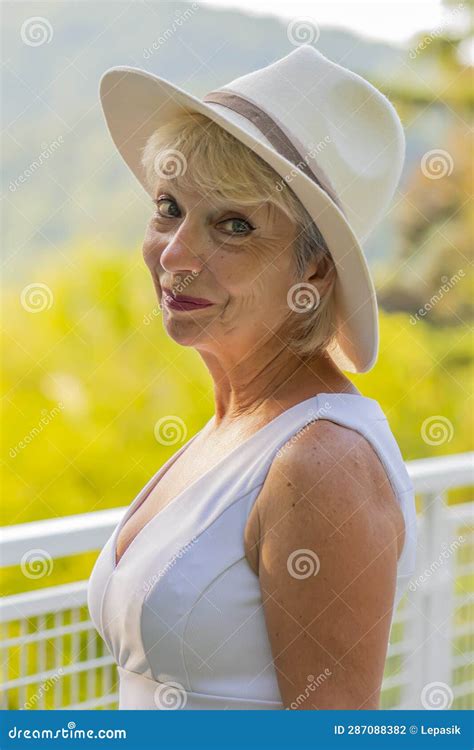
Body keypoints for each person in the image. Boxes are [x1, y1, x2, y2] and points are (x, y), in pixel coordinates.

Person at [87, 44, 417, 710]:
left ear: (314, 271)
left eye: (232, 225)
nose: (177, 258)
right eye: (170, 207)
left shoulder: (321, 463)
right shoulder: (232, 428)